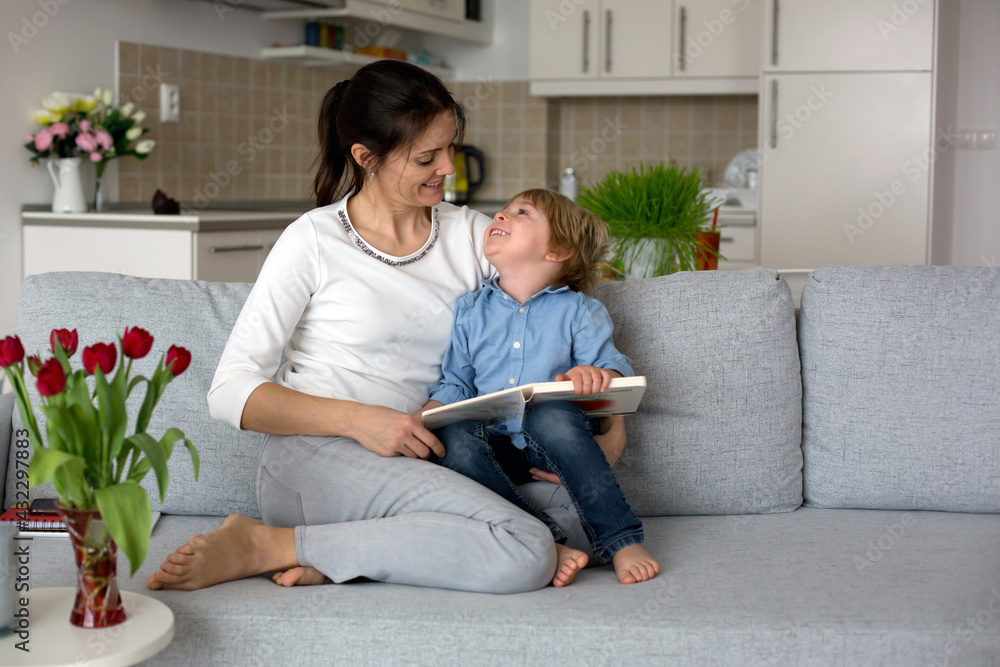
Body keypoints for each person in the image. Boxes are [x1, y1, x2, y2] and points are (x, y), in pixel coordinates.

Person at [146, 60, 626, 594]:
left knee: (587, 526)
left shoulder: (470, 235)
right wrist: (359, 421)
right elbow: (229, 392)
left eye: (451, 147)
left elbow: (558, 310)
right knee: (528, 549)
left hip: (426, 459)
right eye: (427, 157)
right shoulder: (313, 240)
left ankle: (343, 554)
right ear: (366, 158)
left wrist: (610, 429)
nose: (447, 167)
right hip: (319, 456)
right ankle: (270, 543)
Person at [416, 189, 660, 584]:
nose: (500, 215)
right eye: (504, 210)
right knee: (455, 435)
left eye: (521, 212)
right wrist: (428, 413)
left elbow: (612, 369)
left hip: (554, 450)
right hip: (492, 451)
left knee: (550, 414)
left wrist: (597, 376)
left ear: (558, 250)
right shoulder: (469, 310)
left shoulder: (580, 311)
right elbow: (457, 382)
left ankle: (621, 538)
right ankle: (544, 539)